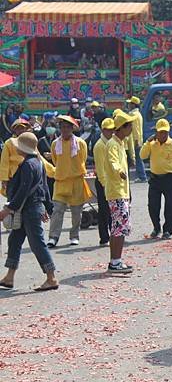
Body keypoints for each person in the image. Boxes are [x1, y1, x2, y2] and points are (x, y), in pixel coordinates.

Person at [0, 132, 57, 292]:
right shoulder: (38, 162)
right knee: (15, 240)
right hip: (32, 207)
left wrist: (8, 208)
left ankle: (51, 277)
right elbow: (45, 188)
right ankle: (9, 276)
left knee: (37, 243)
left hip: (29, 208)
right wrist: (47, 206)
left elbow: (23, 190)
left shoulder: (26, 165)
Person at [47, 116, 92, 248]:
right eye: (62, 127)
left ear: (72, 128)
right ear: (60, 128)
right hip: (61, 181)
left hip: (76, 181)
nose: (65, 130)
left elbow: (83, 159)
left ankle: (74, 236)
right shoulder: (55, 144)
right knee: (57, 211)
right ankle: (53, 237)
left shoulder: (80, 143)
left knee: (76, 212)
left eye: (67, 127)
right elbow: (55, 161)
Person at [140, 119, 172, 240]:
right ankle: (156, 227)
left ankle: (168, 230)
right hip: (155, 178)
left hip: (169, 177)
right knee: (153, 205)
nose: (163, 135)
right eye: (160, 132)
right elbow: (142, 155)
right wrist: (147, 142)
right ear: (156, 132)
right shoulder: (152, 144)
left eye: (165, 132)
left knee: (171, 205)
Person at [105, 110, 135, 273]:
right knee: (118, 227)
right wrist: (119, 171)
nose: (131, 129)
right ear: (122, 128)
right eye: (129, 126)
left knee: (121, 226)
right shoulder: (113, 144)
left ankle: (116, 260)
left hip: (121, 191)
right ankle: (115, 261)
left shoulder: (120, 143)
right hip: (116, 191)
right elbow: (113, 161)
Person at [92, 118, 115, 246]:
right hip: (103, 182)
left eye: (112, 130)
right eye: (108, 130)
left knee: (112, 210)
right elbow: (100, 168)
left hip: (111, 181)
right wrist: (104, 184)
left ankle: (113, 235)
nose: (111, 132)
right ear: (103, 130)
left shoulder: (111, 142)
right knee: (104, 211)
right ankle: (104, 237)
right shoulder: (100, 145)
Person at [0, 118, 32, 196]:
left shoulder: (30, 141)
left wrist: (51, 171)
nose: (20, 130)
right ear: (15, 130)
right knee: (12, 201)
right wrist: (4, 179)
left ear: (27, 129)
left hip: (28, 176)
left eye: (23, 128)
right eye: (18, 128)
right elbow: (4, 162)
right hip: (14, 177)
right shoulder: (9, 142)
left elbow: (38, 158)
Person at [126, 96, 147, 183]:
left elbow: (135, 129)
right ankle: (142, 176)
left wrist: (136, 141)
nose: (128, 105)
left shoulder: (133, 115)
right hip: (138, 139)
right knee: (139, 158)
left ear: (133, 105)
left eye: (130, 103)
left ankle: (142, 176)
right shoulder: (138, 114)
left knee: (138, 159)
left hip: (135, 140)